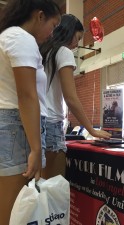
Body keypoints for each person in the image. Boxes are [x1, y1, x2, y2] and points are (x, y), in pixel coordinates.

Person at [0, 0, 61, 224]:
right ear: (40, 16)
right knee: (14, 207)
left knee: (15, 205)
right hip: (18, 126)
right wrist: (36, 148)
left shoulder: (10, 37)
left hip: (15, 125)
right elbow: (26, 96)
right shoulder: (21, 38)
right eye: (53, 26)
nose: (52, 34)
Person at [39, 14, 111, 179]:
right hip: (51, 124)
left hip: (36, 122)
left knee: (38, 185)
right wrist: (92, 130)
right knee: (54, 187)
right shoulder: (63, 52)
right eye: (77, 38)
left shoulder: (44, 51)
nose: (77, 44)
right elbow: (70, 97)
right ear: (69, 32)